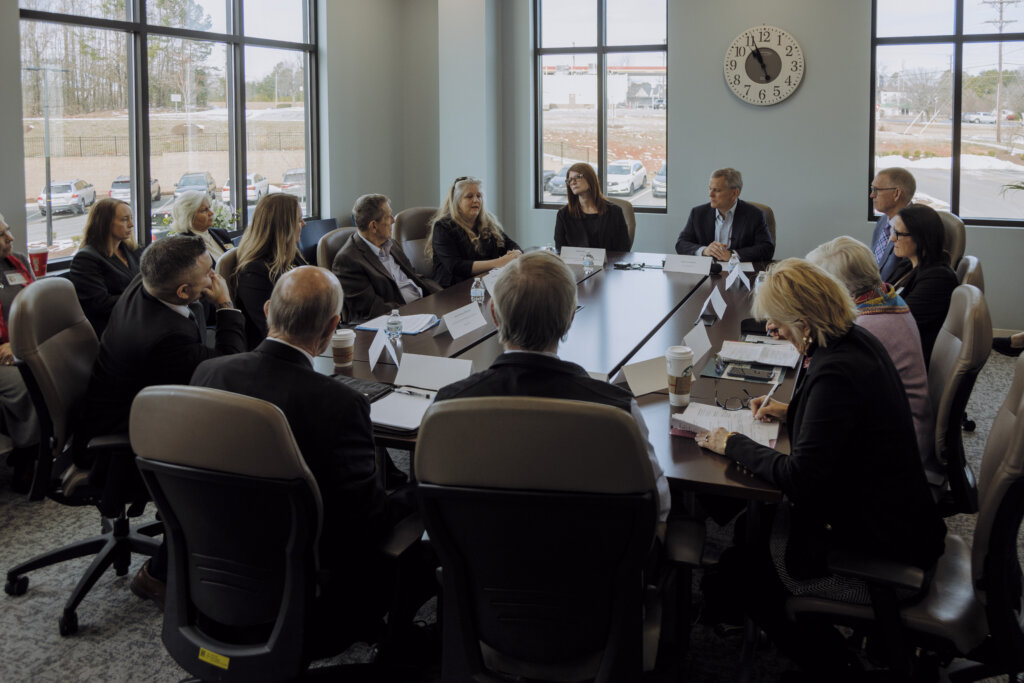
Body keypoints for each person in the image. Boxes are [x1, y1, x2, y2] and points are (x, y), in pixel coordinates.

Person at [697, 258, 946, 679]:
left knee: (746, 573)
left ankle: (840, 667)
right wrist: (792, 410)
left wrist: (732, 442)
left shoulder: (835, 372)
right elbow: (846, 423)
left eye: (777, 324)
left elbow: (800, 478)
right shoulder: (854, 343)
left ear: (805, 321)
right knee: (746, 538)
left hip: (875, 551)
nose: (772, 332)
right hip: (900, 519)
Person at [181, 266, 436, 662]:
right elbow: (366, 523)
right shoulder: (340, 404)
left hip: (215, 569)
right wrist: (421, 492)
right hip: (315, 590)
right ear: (334, 325)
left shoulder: (208, 373)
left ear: (268, 311)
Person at [434, 250, 670, 526]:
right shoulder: (617, 410)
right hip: (597, 565)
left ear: (494, 316)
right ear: (571, 317)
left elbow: (438, 501)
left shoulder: (447, 405)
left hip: (480, 563)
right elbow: (657, 505)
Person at [74, 235, 245, 475]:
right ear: (183, 291)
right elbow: (228, 370)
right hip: (124, 432)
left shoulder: (145, 282)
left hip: (118, 404)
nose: (215, 277)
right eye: (209, 273)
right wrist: (225, 305)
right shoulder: (166, 338)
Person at [806, 236, 939, 483]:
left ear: (838, 288)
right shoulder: (884, 297)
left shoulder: (865, 328)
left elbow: (823, 381)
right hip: (896, 424)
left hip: (893, 452)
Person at [331, 194, 440, 322]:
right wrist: (415, 312)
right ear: (373, 226)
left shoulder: (392, 245)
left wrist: (442, 295)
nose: (393, 220)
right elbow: (372, 309)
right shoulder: (347, 261)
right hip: (396, 322)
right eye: (388, 217)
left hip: (421, 310)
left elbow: (415, 277)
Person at [231, 193, 306, 349]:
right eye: (299, 220)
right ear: (283, 227)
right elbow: (273, 330)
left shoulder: (292, 256)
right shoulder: (253, 273)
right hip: (278, 355)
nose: (304, 224)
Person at [891, 204, 959, 366]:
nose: (892, 238)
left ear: (921, 237)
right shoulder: (907, 266)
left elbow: (900, 323)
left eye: (898, 234)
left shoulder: (938, 280)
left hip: (908, 361)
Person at [0, 214, 39, 492]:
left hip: (22, 346)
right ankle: (28, 456)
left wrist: (19, 341)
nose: (10, 238)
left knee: (60, 372)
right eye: (2, 236)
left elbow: (35, 307)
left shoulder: (19, 263)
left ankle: (39, 450)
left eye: (8, 231)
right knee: (26, 384)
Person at [427, 176, 521, 288]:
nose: (476, 200)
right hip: (453, 289)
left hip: (485, 282)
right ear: (457, 202)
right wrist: (498, 262)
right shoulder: (443, 227)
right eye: (469, 196)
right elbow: (455, 266)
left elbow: (510, 244)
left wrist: (517, 254)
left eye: (479, 196)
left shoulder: (488, 223)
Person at [68, 198, 142, 338]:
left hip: (136, 320)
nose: (131, 225)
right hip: (113, 329)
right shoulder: (86, 259)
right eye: (125, 219)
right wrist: (145, 298)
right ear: (105, 223)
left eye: (131, 219)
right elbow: (100, 305)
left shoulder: (131, 250)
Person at [674, 167, 774, 262]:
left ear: (734, 193)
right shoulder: (698, 213)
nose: (710, 194)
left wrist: (732, 255)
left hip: (739, 273)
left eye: (717, 190)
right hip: (706, 272)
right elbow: (681, 244)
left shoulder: (755, 215)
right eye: (710, 189)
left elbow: (767, 249)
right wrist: (705, 251)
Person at [553, 162, 631, 252]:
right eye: (569, 180)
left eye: (578, 177)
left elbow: (624, 248)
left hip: (608, 264)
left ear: (590, 179)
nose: (573, 182)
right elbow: (560, 250)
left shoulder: (614, 212)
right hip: (575, 265)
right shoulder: (563, 214)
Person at [869, 166, 915, 284]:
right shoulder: (883, 221)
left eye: (876, 190)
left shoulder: (914, 226)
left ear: (897, 193)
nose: (872, 195)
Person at [171, 190, 233, 261]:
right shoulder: (184, 245)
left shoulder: (221, 233)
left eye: (209, 208)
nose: (211, 213)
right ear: (189, 216)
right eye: (204, 210)